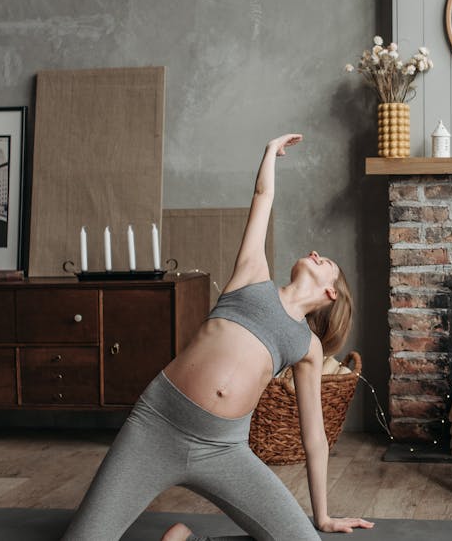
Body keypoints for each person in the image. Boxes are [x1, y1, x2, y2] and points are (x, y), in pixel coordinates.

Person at [62, 134, 373, 541]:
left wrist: (323, 516)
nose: (315, 253)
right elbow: (262, 197)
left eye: (325, 261)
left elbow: (314, 436)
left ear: (331, 293)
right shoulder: (252, 276)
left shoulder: (307, 347)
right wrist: (269, 154)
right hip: (157, 425)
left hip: (223, 450)